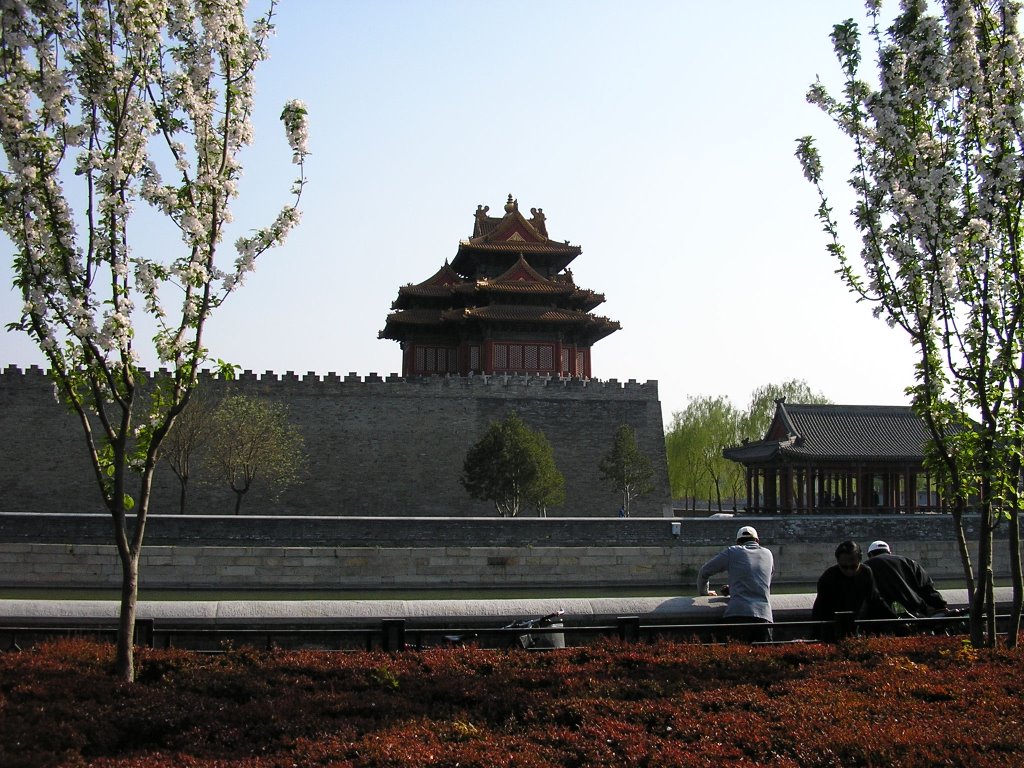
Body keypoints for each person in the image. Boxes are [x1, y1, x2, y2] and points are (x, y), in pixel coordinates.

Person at [697, 525, 774, 641]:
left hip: (737, 615)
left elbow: (704, 571)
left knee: (734, 656)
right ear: (757, 541)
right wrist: (733, 588)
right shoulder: (768, 554)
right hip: (764, 617)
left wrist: (704, 592)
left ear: (737, 542)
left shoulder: (732, 551)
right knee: (762, 657)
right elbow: (763, 582)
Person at [812, 540, 894, 624]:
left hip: (858, 621)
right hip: (833, 623)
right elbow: (821, 608)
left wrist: (895, 620)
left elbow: (875, 599)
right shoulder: (828, 577)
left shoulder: (866, 573)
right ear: (838, 562)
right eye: (844, 567)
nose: (849, 571)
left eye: (854, 566)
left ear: (860, 560)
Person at [862, 540, 948, 617]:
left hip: (880, 615)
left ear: (870, 555)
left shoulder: (866, 567)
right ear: (889, 552)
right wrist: (940, 606)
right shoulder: (910, 562)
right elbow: (928, 587)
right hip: (914, 611)